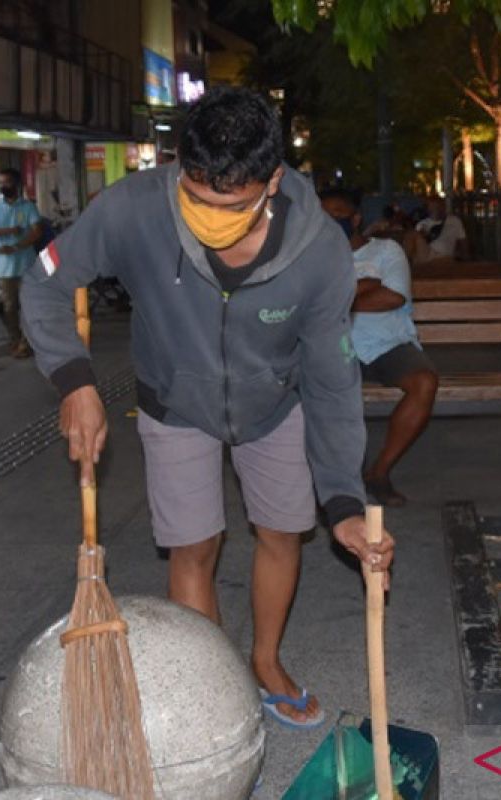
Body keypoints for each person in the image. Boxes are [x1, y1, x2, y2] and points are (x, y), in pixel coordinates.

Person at [21, 86, 395, 729]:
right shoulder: (135, 208)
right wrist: (75, 380)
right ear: (179, 169)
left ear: (273, 181)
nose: (209, 218)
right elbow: (45, 285)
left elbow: (332, 382)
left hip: (275, 403)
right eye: (196, 199)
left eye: (234, 205)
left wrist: (344, 502)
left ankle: (265, 662)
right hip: (175, 400)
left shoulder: (320, 251)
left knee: (283, 532)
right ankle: (213, 678)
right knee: (194, 546)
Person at [321, 189, 438, 507]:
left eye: (339, 215)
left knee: (424, 382)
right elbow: (310, 306)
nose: (332, 222)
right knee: (305, 390)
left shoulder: (387, 251)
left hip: (388, 343)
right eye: (324, 217)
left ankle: (379, 472)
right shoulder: (315, 256)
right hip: (337, 347)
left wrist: (341, 299)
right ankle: (333, 483)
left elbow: (393, 297)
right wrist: (366, 287)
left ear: (356, 219)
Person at [0, 166, 43, 358]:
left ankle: (26, 342)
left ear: (17, 184)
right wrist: (8, 231)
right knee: (9, 307)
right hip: (4, 269)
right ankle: (15, 340)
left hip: (26, 265)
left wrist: (15, 246)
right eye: (1, 182)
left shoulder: (28, 207)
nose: (4, 186)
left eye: (8, 182)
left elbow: (37, 231)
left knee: (28, 306)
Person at [411, 195, 467, 264]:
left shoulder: (455, 221)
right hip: (427, 255)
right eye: (433, 206)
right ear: (428, 208)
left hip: (445, 257)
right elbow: (419, 244)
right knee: (414, 236)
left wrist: (465, 259)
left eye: (438, 206)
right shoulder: (422, 224)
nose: (437, 208)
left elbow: (463, 242)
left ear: (443, 207)